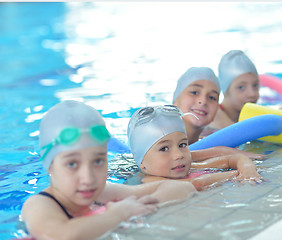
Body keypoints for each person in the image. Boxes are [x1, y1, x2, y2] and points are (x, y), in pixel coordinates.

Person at [21, 100, 195, 240]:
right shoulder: (39, 205)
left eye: (97, 161)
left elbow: (182, 188)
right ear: (50, 165)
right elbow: (61, 235)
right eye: (72, 164)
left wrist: (141, 206)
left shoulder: (101, 193)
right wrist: (120, 214)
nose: (88, 177)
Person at [127, 105, 263, 190]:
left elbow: (233, 158)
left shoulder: (188, 165)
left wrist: (247, 167)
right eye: (164, 149)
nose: (178, 155)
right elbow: (196, 184)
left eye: (182, 145)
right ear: (142, 162)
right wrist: (239, 174)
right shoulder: (150, 181)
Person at [172, 66, 266, 160]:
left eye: (212, 97)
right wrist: (221, 152)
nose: (203, 101)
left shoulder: (210, 139)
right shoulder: (161, 134)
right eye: (194, 92)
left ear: (217, 110)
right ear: (175, 101)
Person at [209, 50, 282, 130]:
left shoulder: (251, 112)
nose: (252, 94)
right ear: (225, 90)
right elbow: (237, 135)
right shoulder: (213, 113)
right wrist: (279, 116)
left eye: (255, 85)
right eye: (241, 87)